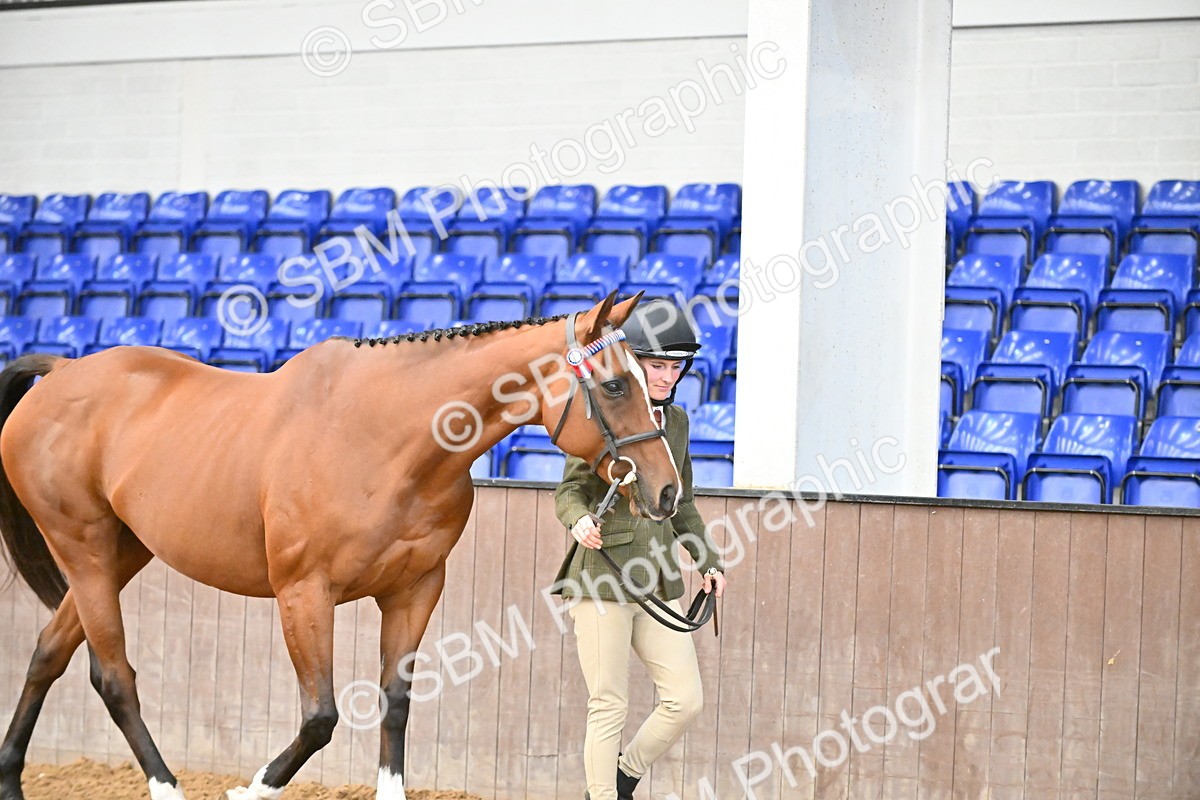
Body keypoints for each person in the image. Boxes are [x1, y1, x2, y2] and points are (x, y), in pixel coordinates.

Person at [551, 299, 728, 800]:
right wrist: (579, 519)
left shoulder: (678, 423)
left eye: (675, 366)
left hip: (657, 579)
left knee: (685, 699)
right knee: (608, 703)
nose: (667, 376)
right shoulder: (603, 412)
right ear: (633, 363)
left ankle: (623, 778)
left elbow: (682, 501)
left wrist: (708, 560)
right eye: (657, 365)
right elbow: (569, 492)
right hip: (602, 575)